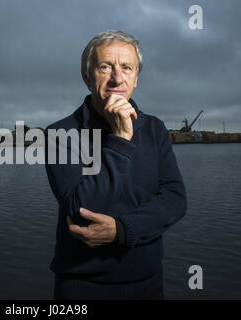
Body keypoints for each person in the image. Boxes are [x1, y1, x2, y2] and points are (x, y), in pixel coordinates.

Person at [44, 30, 187, 300]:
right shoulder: (60, 135)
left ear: (136, 79)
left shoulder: (154, 129)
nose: (117, 78)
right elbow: (80, 209)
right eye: (105, 67)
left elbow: (174, 199)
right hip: (82, 287)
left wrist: (123, 230)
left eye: (126, 68)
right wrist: (120, 138)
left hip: (149, 284)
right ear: (87, 78)